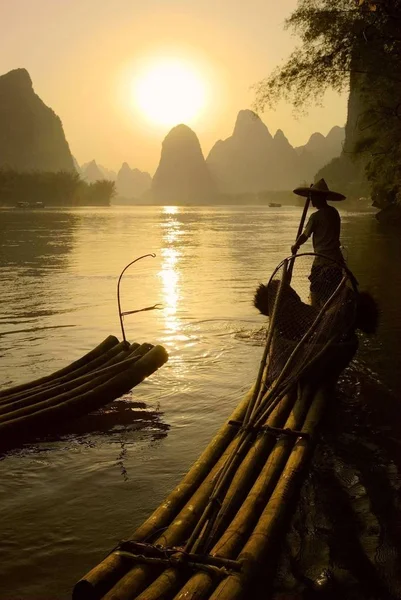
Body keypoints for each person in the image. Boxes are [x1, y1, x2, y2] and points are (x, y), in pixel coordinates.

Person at [290, 179, 346, 307]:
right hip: (337, 260)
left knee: (315, 289)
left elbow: (305, 235)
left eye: (313, 197)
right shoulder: (334, 212)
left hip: (322, 260)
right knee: (334, 291)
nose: (311, 200)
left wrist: (295, 245)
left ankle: (315, 311)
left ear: (321, 197)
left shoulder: (315, 217)